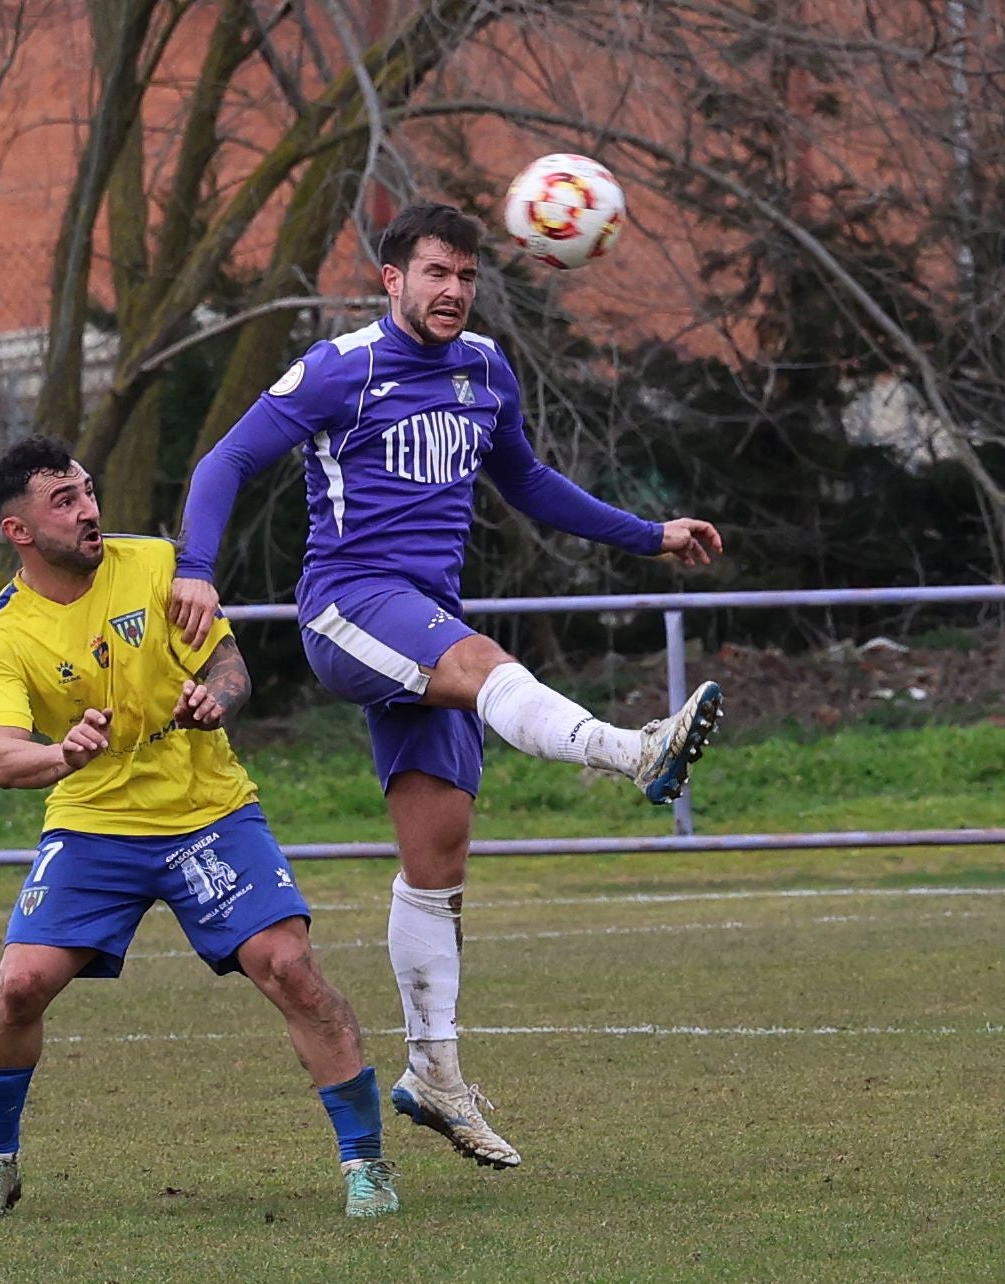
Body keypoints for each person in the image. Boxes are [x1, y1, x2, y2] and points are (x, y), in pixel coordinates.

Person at [169, 203, 725, 1171]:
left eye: (466, 277)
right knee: (486, 664)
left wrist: (650, 533)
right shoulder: (343, 367)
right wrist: (195, 566)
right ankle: (633, 753)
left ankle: (433, 1073)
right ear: (391, 279)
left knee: (438, 865)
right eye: (434, 273)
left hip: (422, 616)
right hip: (349, 606)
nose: (453, 291)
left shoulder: (484, 369)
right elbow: (228, 458)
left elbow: (529, 482)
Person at [0, 434, 398, 1222]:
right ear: (17, 531)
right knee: (19, 986)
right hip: (93, 826)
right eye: (64, 501)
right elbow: (0, 758)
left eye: (87, 490)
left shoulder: (160, 566)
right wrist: (62, 753)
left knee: (291, 968)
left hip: (208, 811)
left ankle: (366, 1165)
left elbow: (230, 669)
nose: (89, 510)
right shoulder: (3, 636)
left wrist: (214, 700)